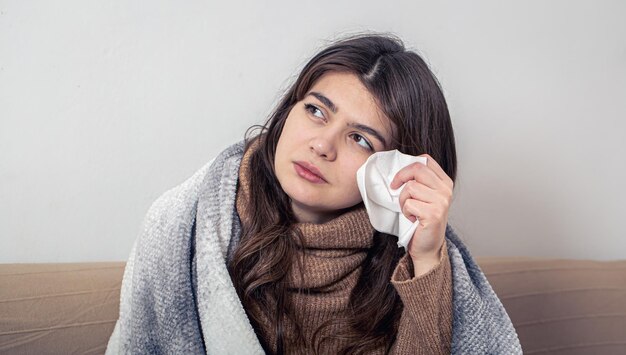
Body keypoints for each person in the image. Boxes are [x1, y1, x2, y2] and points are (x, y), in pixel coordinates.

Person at [106, 33, 523, 354]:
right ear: (290, 109)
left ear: (397, 169)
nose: (322, 144)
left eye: (360, 139)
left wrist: (427, 260)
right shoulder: (189, 226)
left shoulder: (406, 264)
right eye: (316, 110)